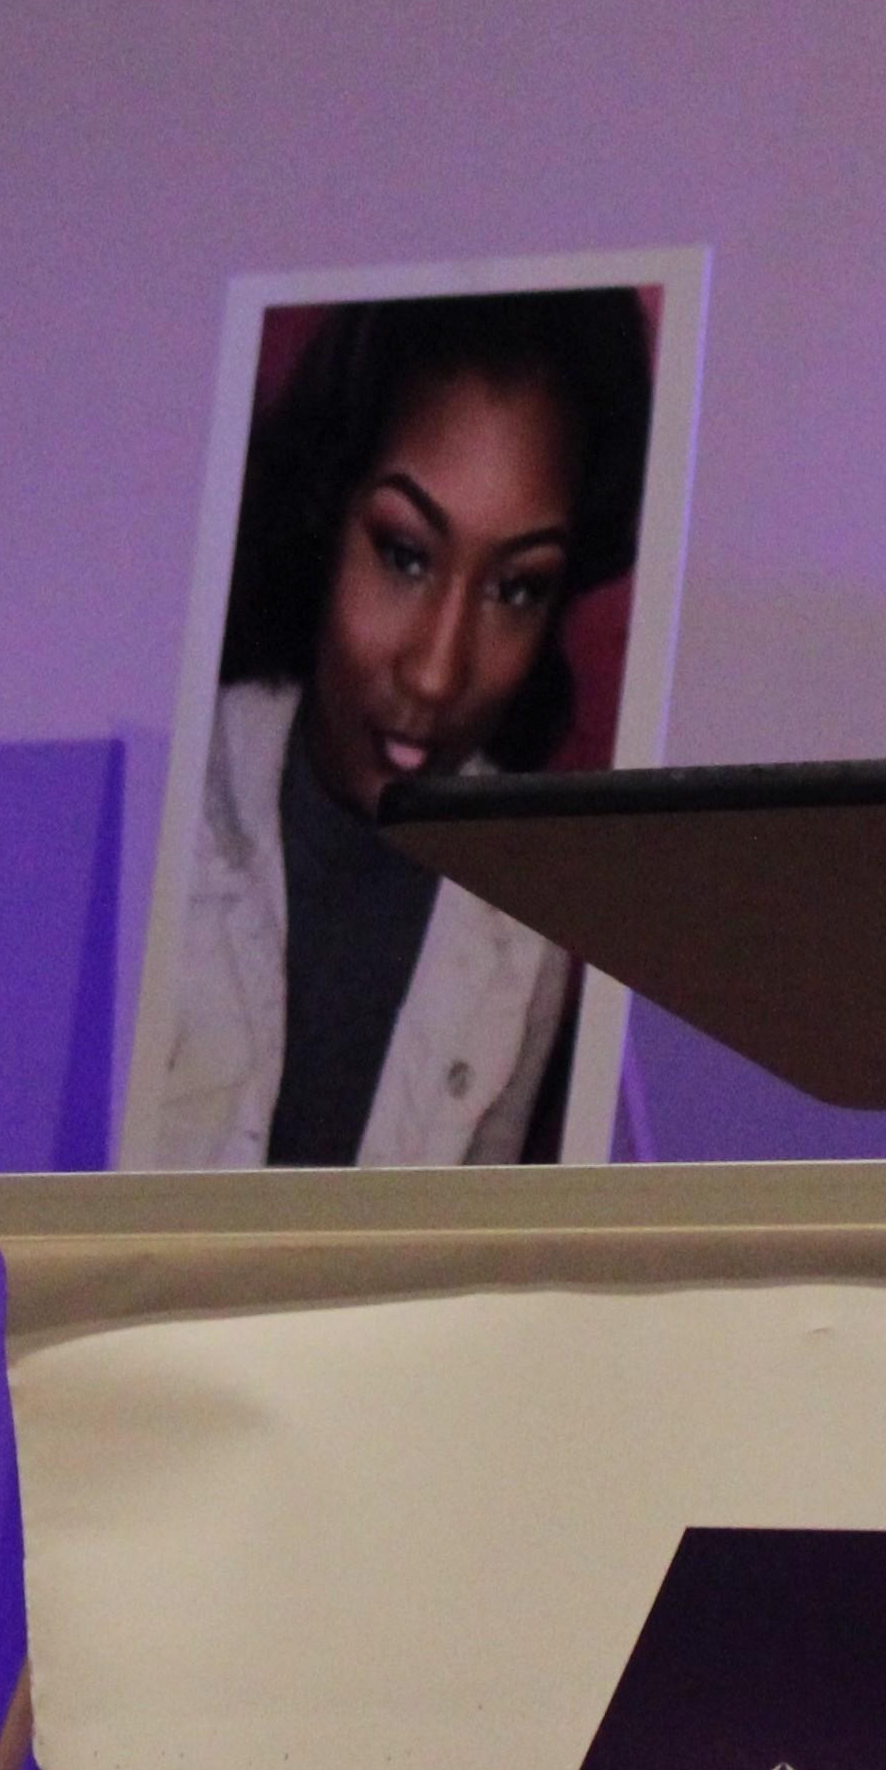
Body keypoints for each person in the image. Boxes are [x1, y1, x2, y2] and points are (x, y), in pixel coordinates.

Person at [132, 288, 653, 1168]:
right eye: (405, 555)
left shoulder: (529, 921)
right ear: (325, 511)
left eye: (516, 588)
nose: (437, 671)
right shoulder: (153, 801)